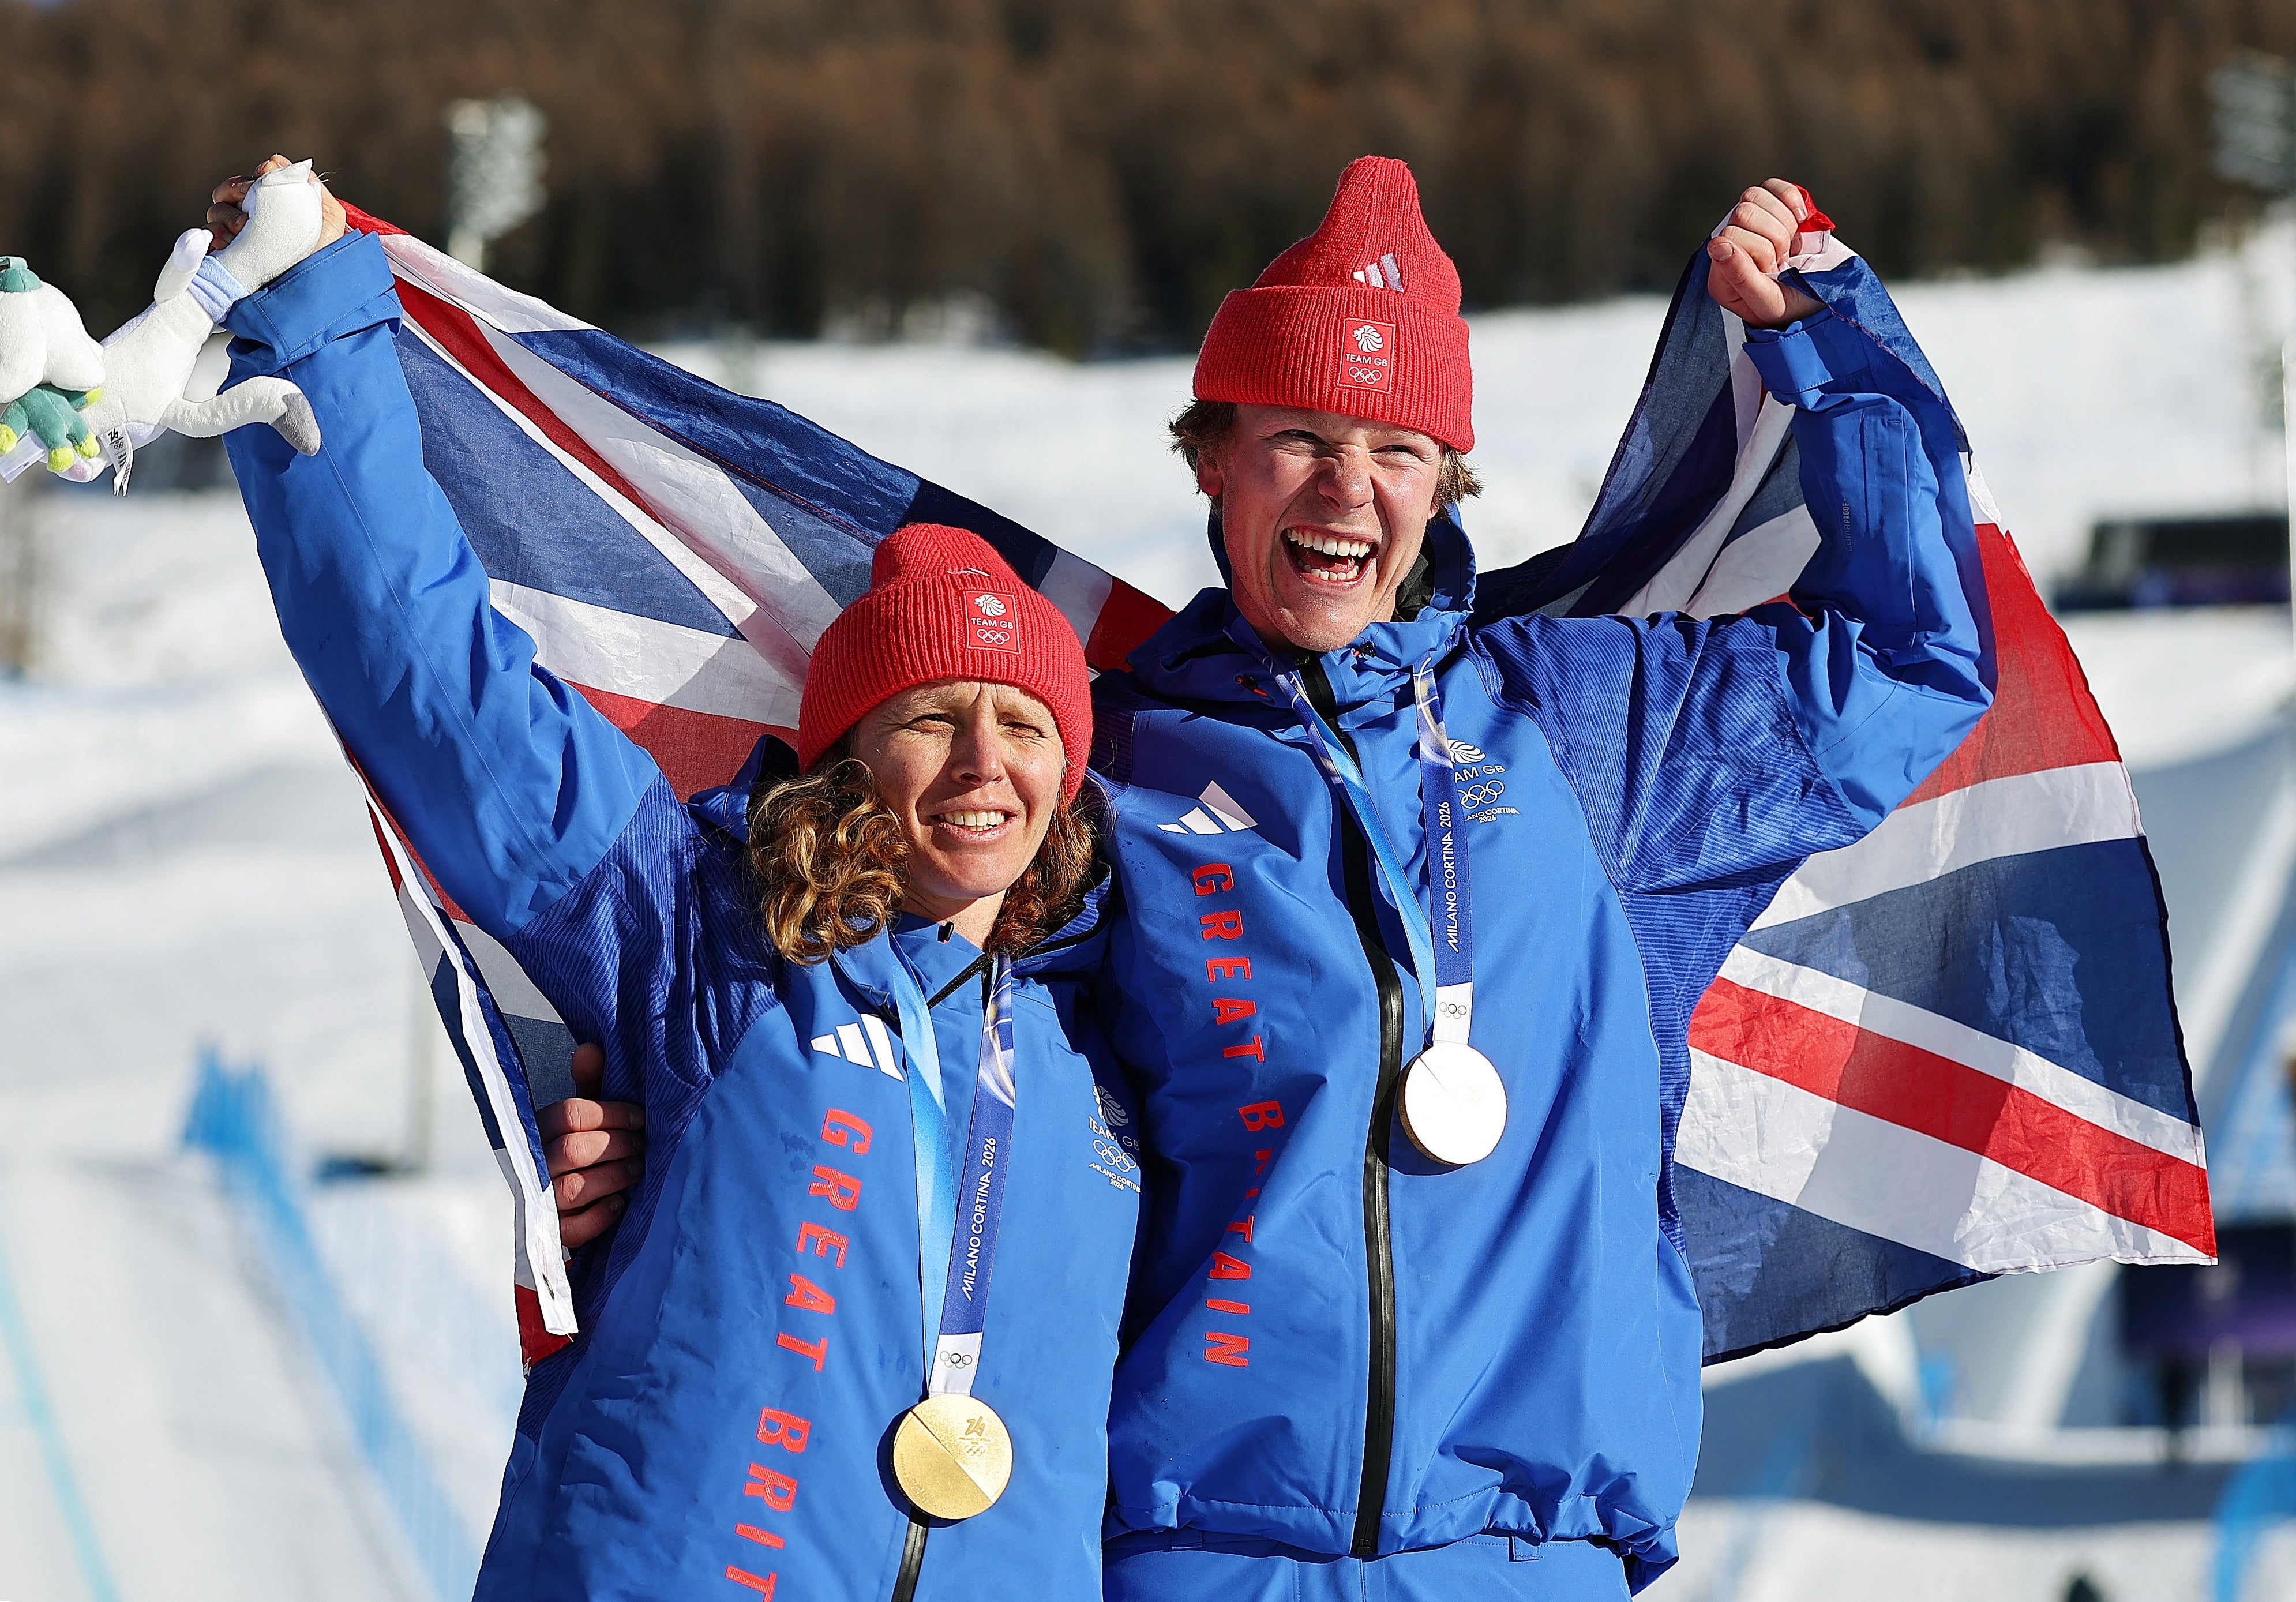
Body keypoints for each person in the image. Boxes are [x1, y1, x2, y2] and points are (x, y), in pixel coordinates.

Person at [205, 162, 1143, 1597]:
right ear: (841, 757)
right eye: (930, 718)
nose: (984, 761)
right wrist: (317, 312)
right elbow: (435, 689)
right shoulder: (702, 926)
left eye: (1026, 725)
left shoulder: (1111, 1040)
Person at [1079, 159, 1992, 1599]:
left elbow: (1911, 665)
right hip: (1196, 1555)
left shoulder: (1586, 729)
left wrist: (1825, 340)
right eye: (1298, 436)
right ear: (1212, 454)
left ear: (1446, 482)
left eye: (1395, 449)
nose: (1345, 489)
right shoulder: (1096, 766)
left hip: (1520, 1556)